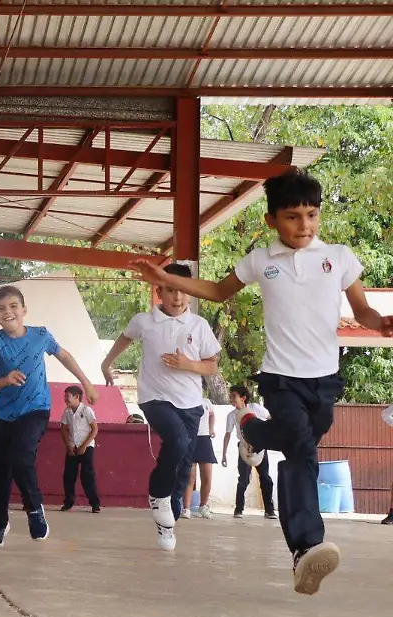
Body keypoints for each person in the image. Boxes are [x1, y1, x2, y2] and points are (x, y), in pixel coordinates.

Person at [129, 168, 392, 594]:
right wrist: (166, 279)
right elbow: (216, 290)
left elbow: (360, 311)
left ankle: (252, 429)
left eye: (311, 215)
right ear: (272, 220)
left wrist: (379, 323)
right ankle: (306, 547)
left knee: (300, 441)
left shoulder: (340, 257)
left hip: (324, 379)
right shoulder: (261, 260)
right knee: (302, 449)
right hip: (280, 377)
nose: (303, 225)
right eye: (291, 216)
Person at [102, 263, 219, 552]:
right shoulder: (145, 321)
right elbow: (125, 338)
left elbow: (212, 366)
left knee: (183, 465)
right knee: (176, 440)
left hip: (191, 404)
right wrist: (106, 363)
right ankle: (158, 494)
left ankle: (167, 524)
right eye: (170, 290)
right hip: (154, 397)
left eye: (182, 290)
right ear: (159, 292)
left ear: (191, 293)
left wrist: (188, 365)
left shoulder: (199, 326)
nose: (177, 297)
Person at [0, 285, 98, 548]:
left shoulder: (41, 335)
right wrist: (5, 380)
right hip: (0, 415)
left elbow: (64, 356)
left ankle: (34, 509)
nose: (7, 312)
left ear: (24, 310)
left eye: (13, 307)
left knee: (22, 457)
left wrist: (86, 383)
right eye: (1, 309)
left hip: (35, 409)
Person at [222, 384, 276, 520]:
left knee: (265, 478)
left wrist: (267, 437)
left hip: (260, 445)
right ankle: (238, 509)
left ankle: (269, 510)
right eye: (231, 396)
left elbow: (270, 418)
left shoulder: (255, 408)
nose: (231, 399)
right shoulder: (232, 415)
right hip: (244, 447)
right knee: (243, 479)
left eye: (234, 396)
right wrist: (223, 454)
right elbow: (227, 434)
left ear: (243, 397)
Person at [59, 385, 101, 513]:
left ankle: (95, 503)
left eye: (68, 396)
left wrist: (84, 446)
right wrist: (69, 445)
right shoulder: (66, 412)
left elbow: (94, 429)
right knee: (69, 476)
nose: (65, 399)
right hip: (72, 446)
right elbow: (64, 429)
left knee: (87, 475)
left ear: (77, 397)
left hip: (86, 446)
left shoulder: (87, 410)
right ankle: (68, 502)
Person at [183, 397, 217, 519]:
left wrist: (211, 428)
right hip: (190, 438)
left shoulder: (207, 401)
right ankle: (186, 508)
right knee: (189, 477)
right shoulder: (186, 399)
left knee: (207, 476)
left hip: (204, 439)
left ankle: (203, 506)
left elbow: (212, 415)